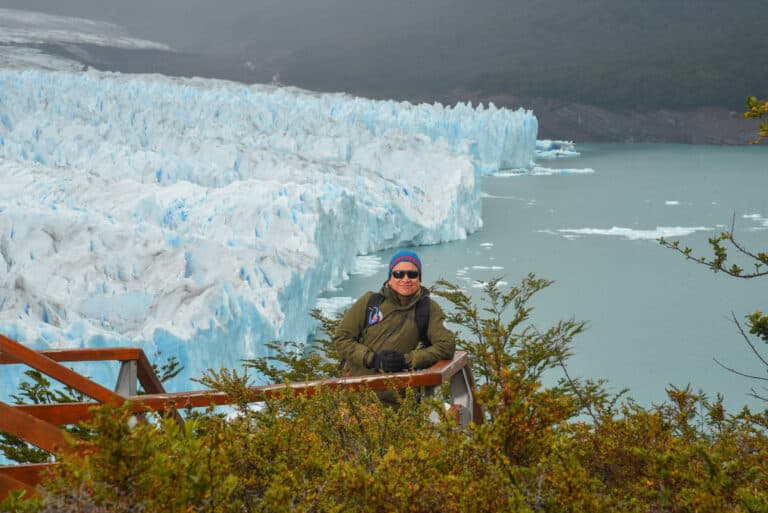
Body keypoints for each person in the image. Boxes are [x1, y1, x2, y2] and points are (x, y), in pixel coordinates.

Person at [333, 250, 455, 380]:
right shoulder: (370, 302)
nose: (406, 279)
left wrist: (407, 360)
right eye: (398, 274)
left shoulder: (428, 309)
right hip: (356, 391)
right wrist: (373, 359)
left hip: (400, 396)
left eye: (412, 274)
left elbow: (446, 346)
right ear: (390, 278)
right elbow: (341, 338)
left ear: (419, 278)